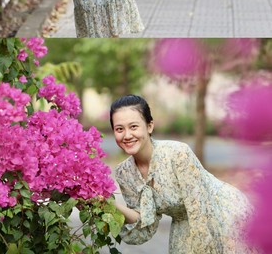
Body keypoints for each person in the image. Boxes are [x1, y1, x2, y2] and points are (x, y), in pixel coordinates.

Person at [110, 95, 258, 253]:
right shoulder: (124, 173)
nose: (126, 135)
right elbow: (144, 222)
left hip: (221, 213)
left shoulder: (178, 154)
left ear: (149, 126)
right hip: (182, 222)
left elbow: (198, 211)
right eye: (120, 129)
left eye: (133, 127)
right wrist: (110, 205)